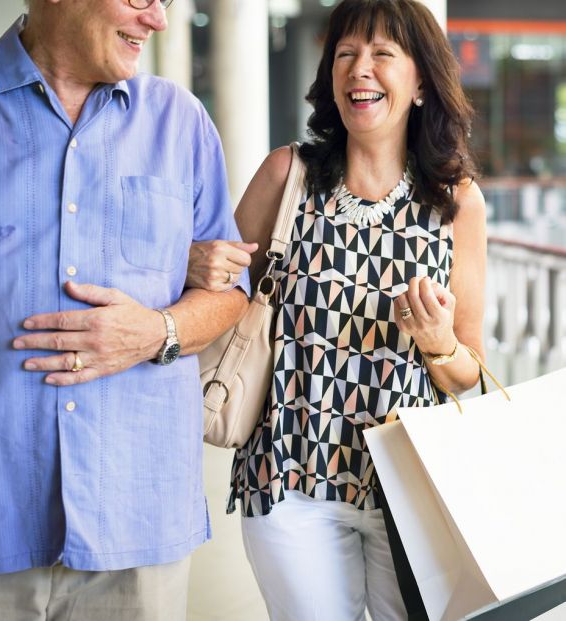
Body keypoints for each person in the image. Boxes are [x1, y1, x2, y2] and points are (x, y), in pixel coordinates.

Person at [0, 1, 250, 619]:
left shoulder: (181, 121)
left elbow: (230, 292)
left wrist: (158, 331)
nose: (158, 19)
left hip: (136, 516)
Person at [186, 0, 486, 619]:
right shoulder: (286, 175)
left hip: (409, 489)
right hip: (290, 473)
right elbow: (219, 296)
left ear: (422, 81)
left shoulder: (457, 201)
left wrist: (438, 343)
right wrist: (197, 266)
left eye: (382, 54)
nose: (360, 70)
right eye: (346, 54)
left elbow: (469, 374)